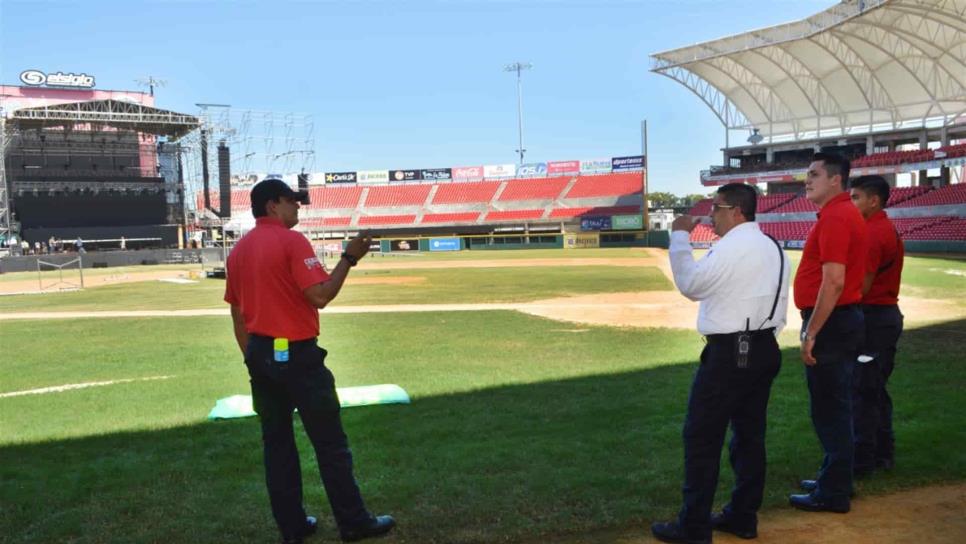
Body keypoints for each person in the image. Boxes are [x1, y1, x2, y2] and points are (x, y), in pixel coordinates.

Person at [224, 178, 395, 544]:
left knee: (277, 446)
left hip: (259, 353)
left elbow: (238, 315)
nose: (298, 207)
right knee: (330, 443)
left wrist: (252, 358)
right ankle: (353, 522)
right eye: (292, 201)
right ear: (273, 205)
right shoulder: (291, 241)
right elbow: (320, 296)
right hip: (298, 355)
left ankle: (293, 527)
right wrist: (349, 258)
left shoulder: (238, 251)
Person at [651, 183, 789, 544]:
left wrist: (679, 237)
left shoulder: (733, 246)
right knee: (749, 436)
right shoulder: (773, 246)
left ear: (736, 211)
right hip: (764, 348)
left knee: (702, 438)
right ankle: (743, 516)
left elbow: (691, 284)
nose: (711, 215)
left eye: (717, 208)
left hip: (731, 353)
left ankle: (693, 526)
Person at [790, 152, 868, 514]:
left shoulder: (837, 216)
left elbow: (833, 282)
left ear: (835, 179)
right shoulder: (839, 213)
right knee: (835, 407)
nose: (807, 180)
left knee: (830, 411)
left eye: (814, 174)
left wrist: (811, 332)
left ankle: (833, 492)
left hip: (832, 323)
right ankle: (835, 478)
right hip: (842, 320)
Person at [849, 175, 904, 477]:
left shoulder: (872, 233)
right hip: (884, 317)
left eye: (856, 197)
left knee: (863, 390)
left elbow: (862, 287)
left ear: (874, 200)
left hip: (873, 319)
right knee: (875, 390)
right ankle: (883, 453)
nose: (851, 202)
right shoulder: (884, 228)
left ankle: (862, 460)